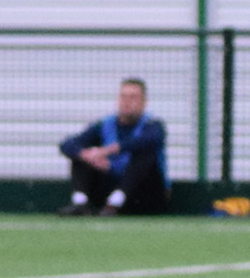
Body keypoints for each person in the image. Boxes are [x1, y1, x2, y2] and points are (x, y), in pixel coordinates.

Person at [57, 78, 168, 216]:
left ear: (144, 102)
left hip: (144, 194)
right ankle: (80, 203)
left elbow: (148, 140)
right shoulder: (105, 124)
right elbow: (67, 144)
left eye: (133, 97)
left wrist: (106, 152)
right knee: (82, 154)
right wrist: (88, 155)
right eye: (123, 96)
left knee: (146, 153)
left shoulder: (153, 125)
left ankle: (116, 202)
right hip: (109, 188)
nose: (127, 102)